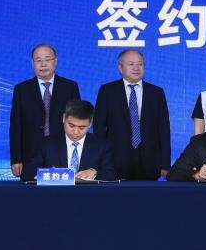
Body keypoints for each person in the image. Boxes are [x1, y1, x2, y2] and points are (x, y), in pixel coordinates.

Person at [93, 49, 171, 180]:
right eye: (131, 64)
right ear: (120, 67)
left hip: (150, 162)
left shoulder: (156, 93)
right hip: (115, 161)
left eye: (140, 64)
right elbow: (99, 127)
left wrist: (165, 163)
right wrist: (101, 160)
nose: (136, 68)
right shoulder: (107, 91)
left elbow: (164, 129)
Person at [9, 44, 80, 179]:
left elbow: (77, 122)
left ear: (55, 61)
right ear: (32, 63)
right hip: (31, 156)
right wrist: (16, 159)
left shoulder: (70, 87)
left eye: (47, 59)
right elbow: (15, 126)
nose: (43, 64)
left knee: (63, 191)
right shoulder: (21, 89)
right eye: (38, 60)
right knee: (30, 191)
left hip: (63, 153)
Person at [23, 100, 115, 182]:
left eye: (82, 127)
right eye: (71, 126)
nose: (75, 132)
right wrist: (48, 172)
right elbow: (26, 175)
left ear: (90, 124)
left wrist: (94, 172)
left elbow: (111, 174)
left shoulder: (102, 145)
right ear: (64, 118)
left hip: (88, 193)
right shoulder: (46, 144)